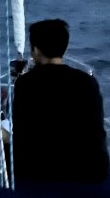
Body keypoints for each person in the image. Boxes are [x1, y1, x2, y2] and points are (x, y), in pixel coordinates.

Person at [12, 19, 109, 184]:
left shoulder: (26, 84)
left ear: (35, 49)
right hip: (91, 170)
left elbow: (23, 130)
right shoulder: (87, 82)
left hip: (42, 173)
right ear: (65, 47)